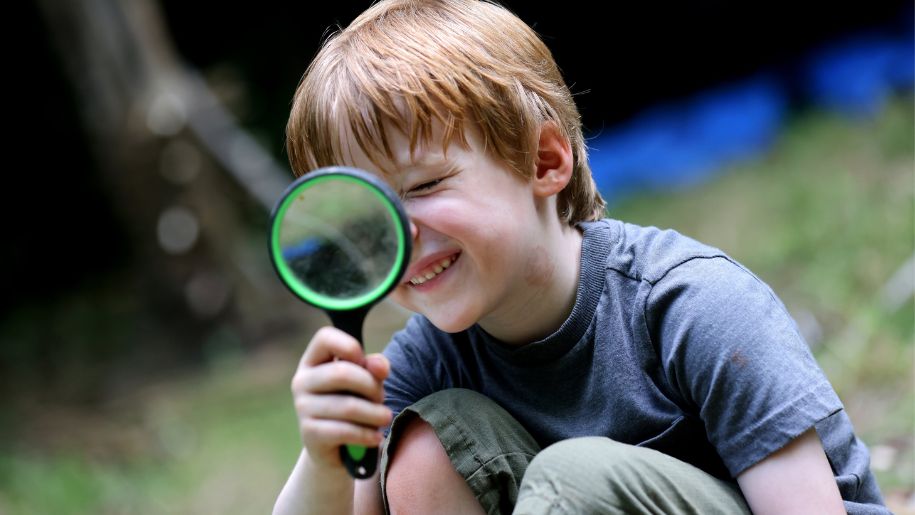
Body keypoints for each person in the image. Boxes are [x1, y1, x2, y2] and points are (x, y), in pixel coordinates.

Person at [273, 1, 888, 513]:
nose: (400, 235)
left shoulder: (691, 304)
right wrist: (324, 458)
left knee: (575, 478)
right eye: (370, 213)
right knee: (423, 449)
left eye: (426, 186)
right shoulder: (426, 361)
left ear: (544, 162)